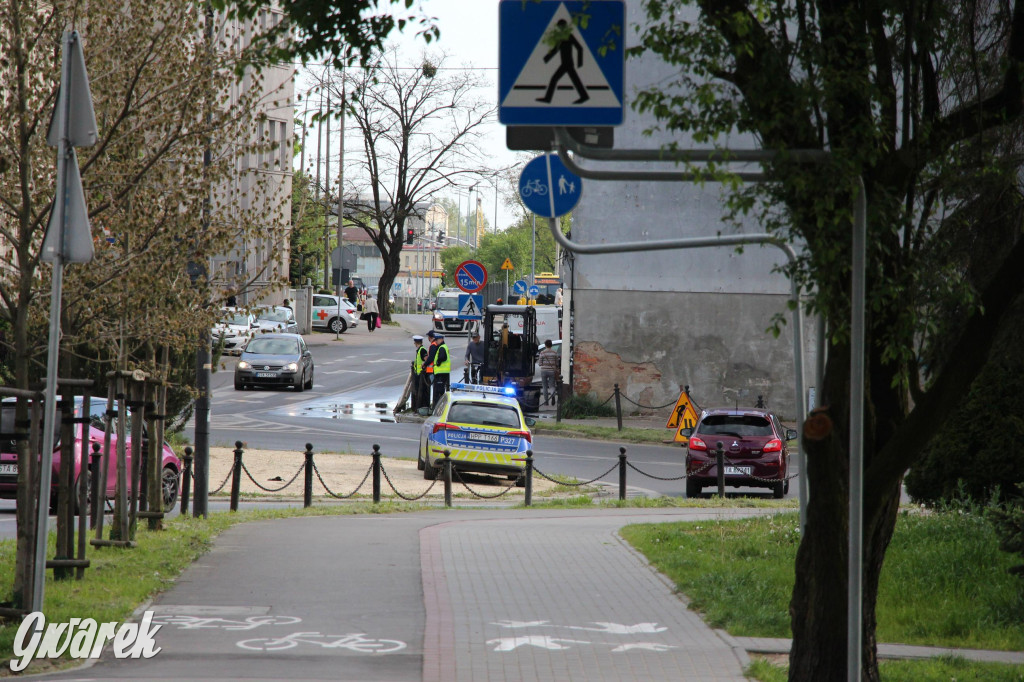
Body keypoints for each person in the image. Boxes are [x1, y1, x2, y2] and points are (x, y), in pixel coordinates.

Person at [424, 332, 450, 408]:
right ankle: (438, 407)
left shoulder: (442, 347)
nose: (436, 341)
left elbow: (442, 357)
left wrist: (438, 362)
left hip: (441, 372)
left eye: (437, 340)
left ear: (441, 339)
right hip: (442, 372)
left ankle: (437, 408)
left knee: (438, 392)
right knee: (439, 391)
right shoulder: (442, 346)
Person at [538, 339, 559, 406]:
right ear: (551, 345)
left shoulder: (542, 353)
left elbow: (540, 363)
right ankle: (552, 396)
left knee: (544, 386)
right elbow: (557, 363)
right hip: (552, 371)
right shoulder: (554, 353)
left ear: (545, 345)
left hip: (544, 371)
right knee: (552, 386)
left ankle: (546, 401)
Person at [410, 335, 429, 410]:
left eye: (414, 342)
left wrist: (423, 367)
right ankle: (418, 407)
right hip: (418, 374)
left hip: (422, 374)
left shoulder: (422, 350)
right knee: (418, 391)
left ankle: (420, 406)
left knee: (421, 391)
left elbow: (426, 359)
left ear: (416, 342)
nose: (414, 344)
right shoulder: (419, 350)